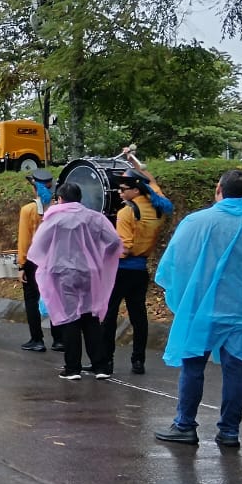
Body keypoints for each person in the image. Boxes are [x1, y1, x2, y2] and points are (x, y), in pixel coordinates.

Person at [154, 169, 242, 448]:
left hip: (201, 307)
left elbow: (174, 262)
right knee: (236, 369)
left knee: (192, 366)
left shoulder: (196, 222)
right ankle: (229, 432)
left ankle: (185, 424)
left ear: (218, 189)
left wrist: (187, 292)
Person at [28, 182, 122, 380]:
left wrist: (50, 259)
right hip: (90, 271)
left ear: (60, 199)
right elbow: (114, 241)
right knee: (90, 315)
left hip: (62, 272)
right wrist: (100, 255)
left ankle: (72, 368)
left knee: (69, 317)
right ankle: (101, 366)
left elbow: (38, 246)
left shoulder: (54, 219)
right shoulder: (94, 217)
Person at [94, 159, 172, 376]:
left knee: (109, 315)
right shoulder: (158, 209)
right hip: (141, 271)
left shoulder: (126, 213)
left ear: (136, 190)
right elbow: (152, 183)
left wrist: (103, 253)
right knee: (138, 316)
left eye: (123, 189)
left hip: (121, 270)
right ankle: (138, 361)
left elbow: (125, 248)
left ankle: (106, 362)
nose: (119, 192)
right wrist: (136, 165)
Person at [16, 169, 63, 353]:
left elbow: (24, 239)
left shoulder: (28, 210)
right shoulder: (58, 208)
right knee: (53, 297)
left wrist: (21, 264)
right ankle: (58, 339)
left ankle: (37, 339)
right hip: (54, 259)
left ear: (35, 188)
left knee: (31, 299)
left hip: (33, 260)